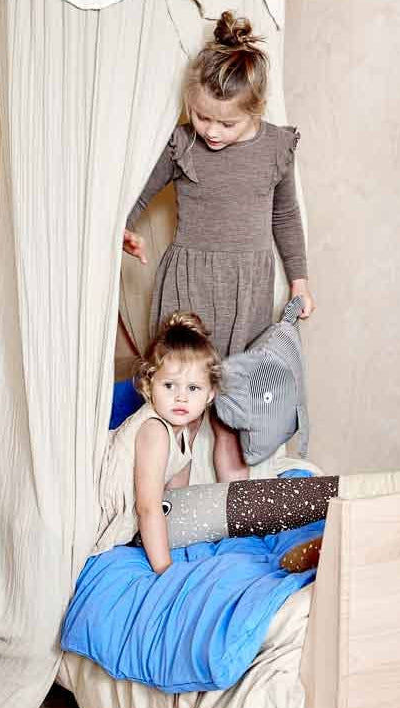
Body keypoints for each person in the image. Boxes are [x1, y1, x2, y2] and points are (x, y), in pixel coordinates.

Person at [122, 9, 314, 481]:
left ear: (256, 110)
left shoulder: (275, 148)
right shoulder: (183, 144)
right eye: (202, 116)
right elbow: (141, 192)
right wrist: (122, 227)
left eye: (225, 124)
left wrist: (300, 280)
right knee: (175, 414)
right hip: (188, 286)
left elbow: (285, 215)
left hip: (245, 295)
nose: (210, 131)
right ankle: (168, 514)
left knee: (231, 415)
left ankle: (236, 519)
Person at [94, 312, 221, 573]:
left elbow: (174, 500)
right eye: (170, 386)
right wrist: (164, 567)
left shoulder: (184, 432)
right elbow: (148, 506)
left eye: (193, 388)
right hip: (94, 502)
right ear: (149, 385)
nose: (181, 398)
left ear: (210, 394)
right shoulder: (155, 431)